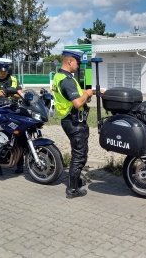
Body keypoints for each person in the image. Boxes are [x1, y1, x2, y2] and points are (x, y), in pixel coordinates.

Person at [52, 50, 95, 199]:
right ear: (70, 61)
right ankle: (72, 189)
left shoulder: (60, 76)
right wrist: (87, 94)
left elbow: (74, 91)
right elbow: (77, 103)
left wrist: (91, 91)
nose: (78, 66)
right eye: (77, 62)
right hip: (74, 121)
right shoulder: (67, 80)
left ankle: (75, 180)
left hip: (69, 120)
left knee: (78, 152)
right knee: (79, 155)